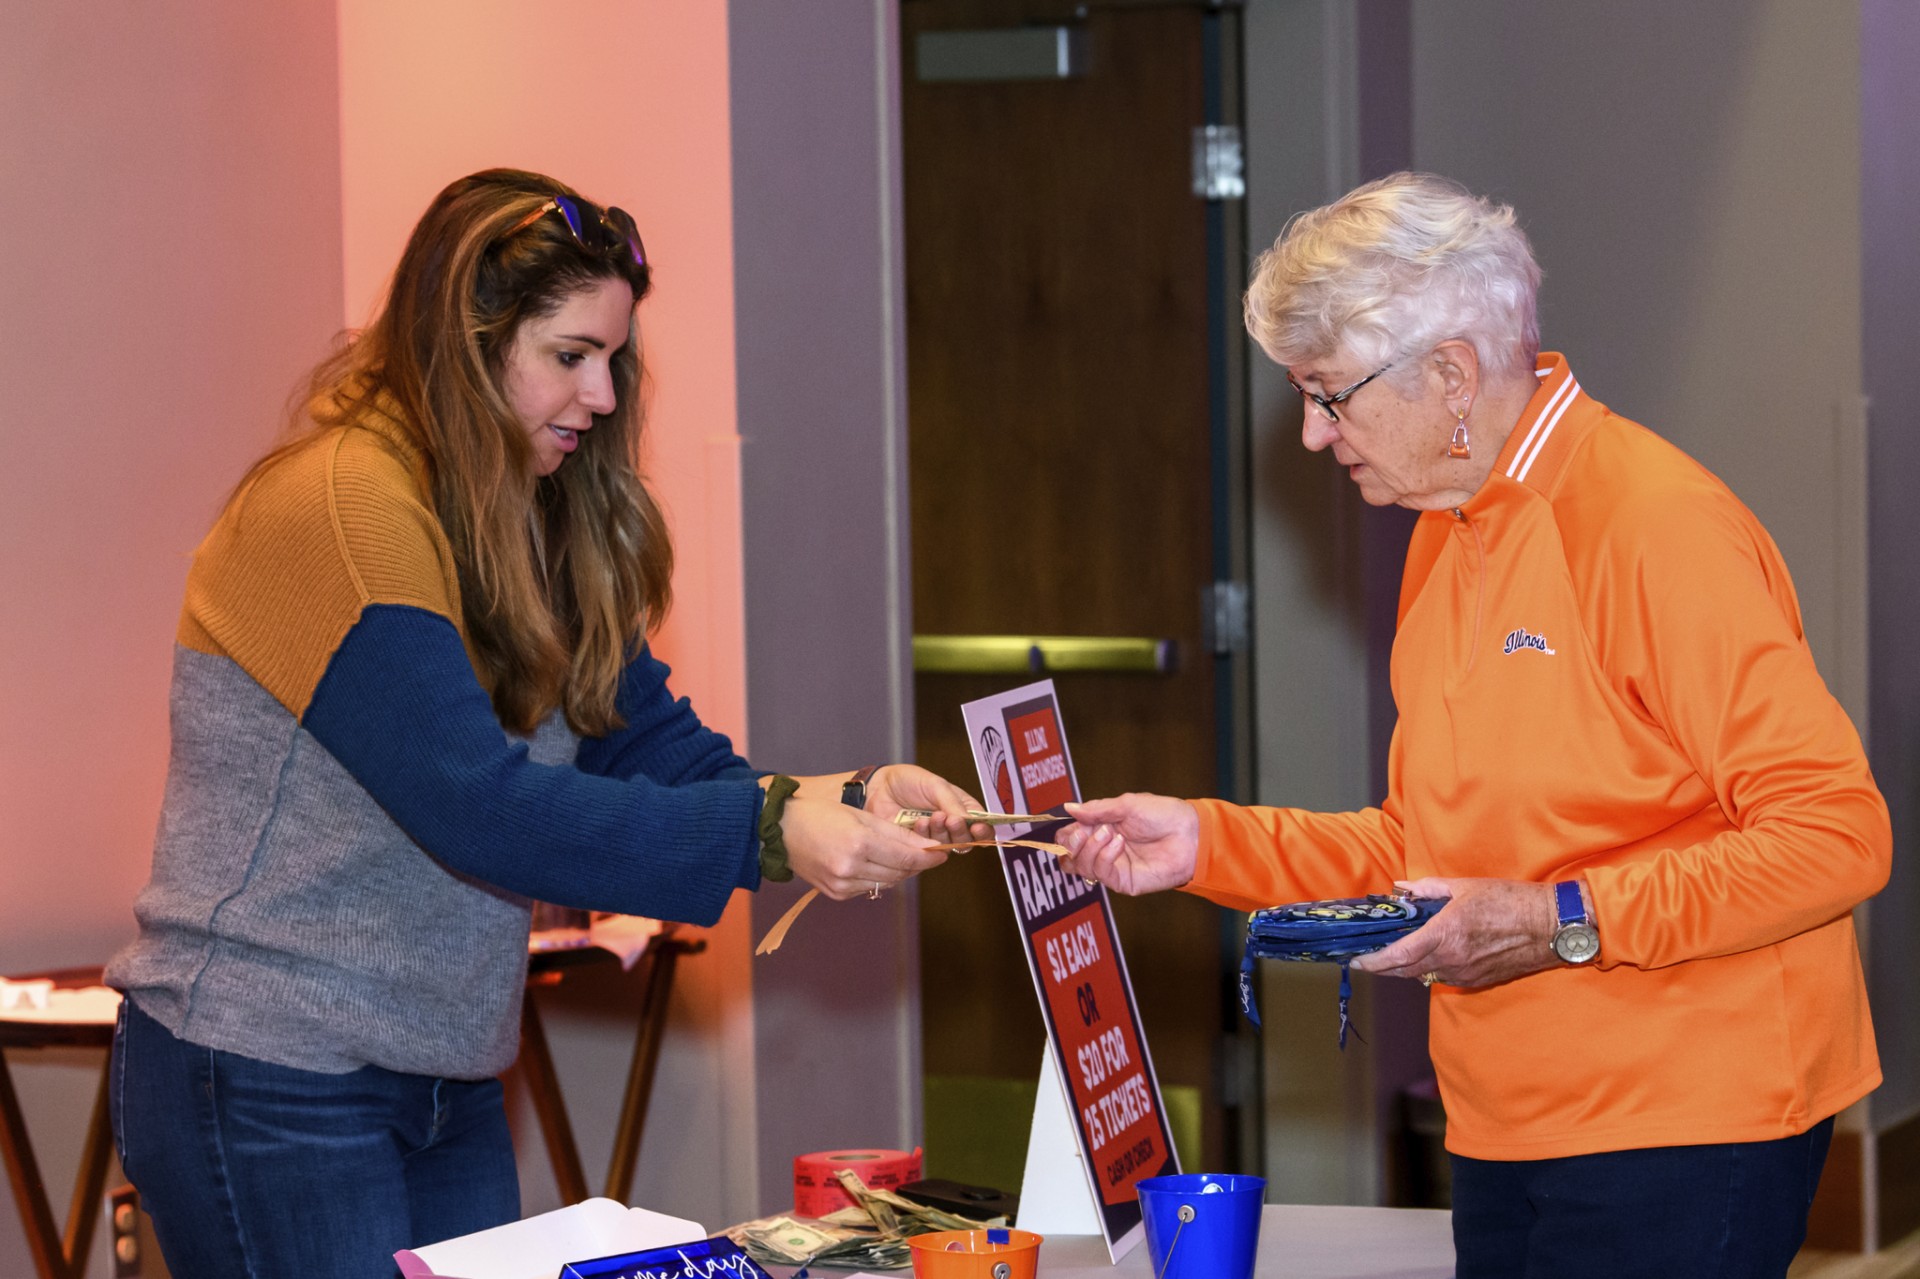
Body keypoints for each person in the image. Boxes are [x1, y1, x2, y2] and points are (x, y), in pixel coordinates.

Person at [105, 168, 986, 1279]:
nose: (603, 394)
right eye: (570, 356)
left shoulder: (523, 515)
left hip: (443, 1073)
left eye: (612, 358)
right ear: (465, 345)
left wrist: (839, 798)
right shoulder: (340, 506)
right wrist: (769, 833)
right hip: (269, 1070)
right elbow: (477, 806)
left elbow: (646, 742)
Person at [1059, 172, 1890, 1277]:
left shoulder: (1654, 525)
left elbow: (1836, 835)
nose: (1310, 434)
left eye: (1328, 395)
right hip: (1503, 1118)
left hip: (1688, 1121)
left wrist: (1559, 919)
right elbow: (1426, 848)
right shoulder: (1448, 530)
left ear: (1451, 374)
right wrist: (1208, 843)